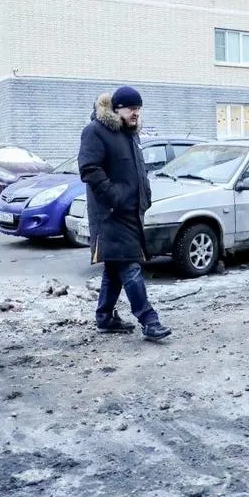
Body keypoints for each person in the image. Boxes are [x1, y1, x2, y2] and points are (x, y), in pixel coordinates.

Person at [78, 86, 171, 342]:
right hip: (110, 215)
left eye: (139, 109)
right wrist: (113, 197)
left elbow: (139, 171)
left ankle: (105, 317)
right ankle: (149, 320)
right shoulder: (96, 131)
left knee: (114, 267)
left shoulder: (131, 135)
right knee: (129, 266)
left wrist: (146, 195)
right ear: (117, 108)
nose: (136, 113)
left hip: (131, 213)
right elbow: (89, 168)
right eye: (132, 108)